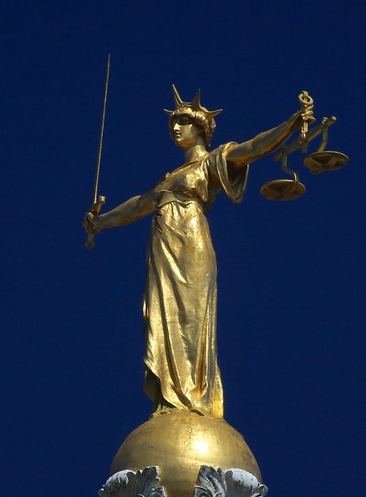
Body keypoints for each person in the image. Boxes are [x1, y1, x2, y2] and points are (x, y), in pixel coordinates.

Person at [84, 86, 313, 419]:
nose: (176, 129)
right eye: (173, 124)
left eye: (183, 123)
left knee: (191, 317)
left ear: (201, 128)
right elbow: (138, 205)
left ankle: (194, 393)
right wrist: (100, 222)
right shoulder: (168, 178)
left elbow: (254, 147)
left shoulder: (212, 161)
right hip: (163, 246)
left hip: (191, 241)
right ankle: (169, 395)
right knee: (164, 316)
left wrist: (291, 123)